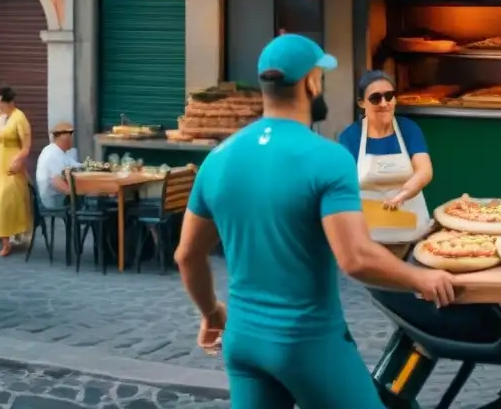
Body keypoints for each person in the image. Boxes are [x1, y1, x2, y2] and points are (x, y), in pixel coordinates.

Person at [174, 33, 455, 409]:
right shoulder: (327, 157)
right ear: (310, 82)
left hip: (242, 341)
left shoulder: (218, 158)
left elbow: (187, 256)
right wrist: (421, 278)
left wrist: (211, 312)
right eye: (320, 76)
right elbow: (355, 258)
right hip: (306, 341)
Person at [338, 70, 433, 256]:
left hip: (411, 236)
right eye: (375, 98)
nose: (384, 103)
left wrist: (405, 193)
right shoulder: (350, 136)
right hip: (367, 242)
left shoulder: (408, 129)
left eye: (389, 96)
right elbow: (343, 185)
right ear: (361, 103)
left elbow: (424, 170)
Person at [0, 86, 33, 257]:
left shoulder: (19, 117)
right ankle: (4, 240)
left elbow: (26, 146)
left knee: (11, 200)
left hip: (13, 161)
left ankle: (15, 233)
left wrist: (19, 161)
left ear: (8, 102)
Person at [35, 122, 79, 210]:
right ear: (63, 138)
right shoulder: (52, 153)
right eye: (70, 136)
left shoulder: (60, 152)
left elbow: (77, 166)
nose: (72, 139)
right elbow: (57, 183)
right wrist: (77, 194)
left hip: (60, 196)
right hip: (54, 199)